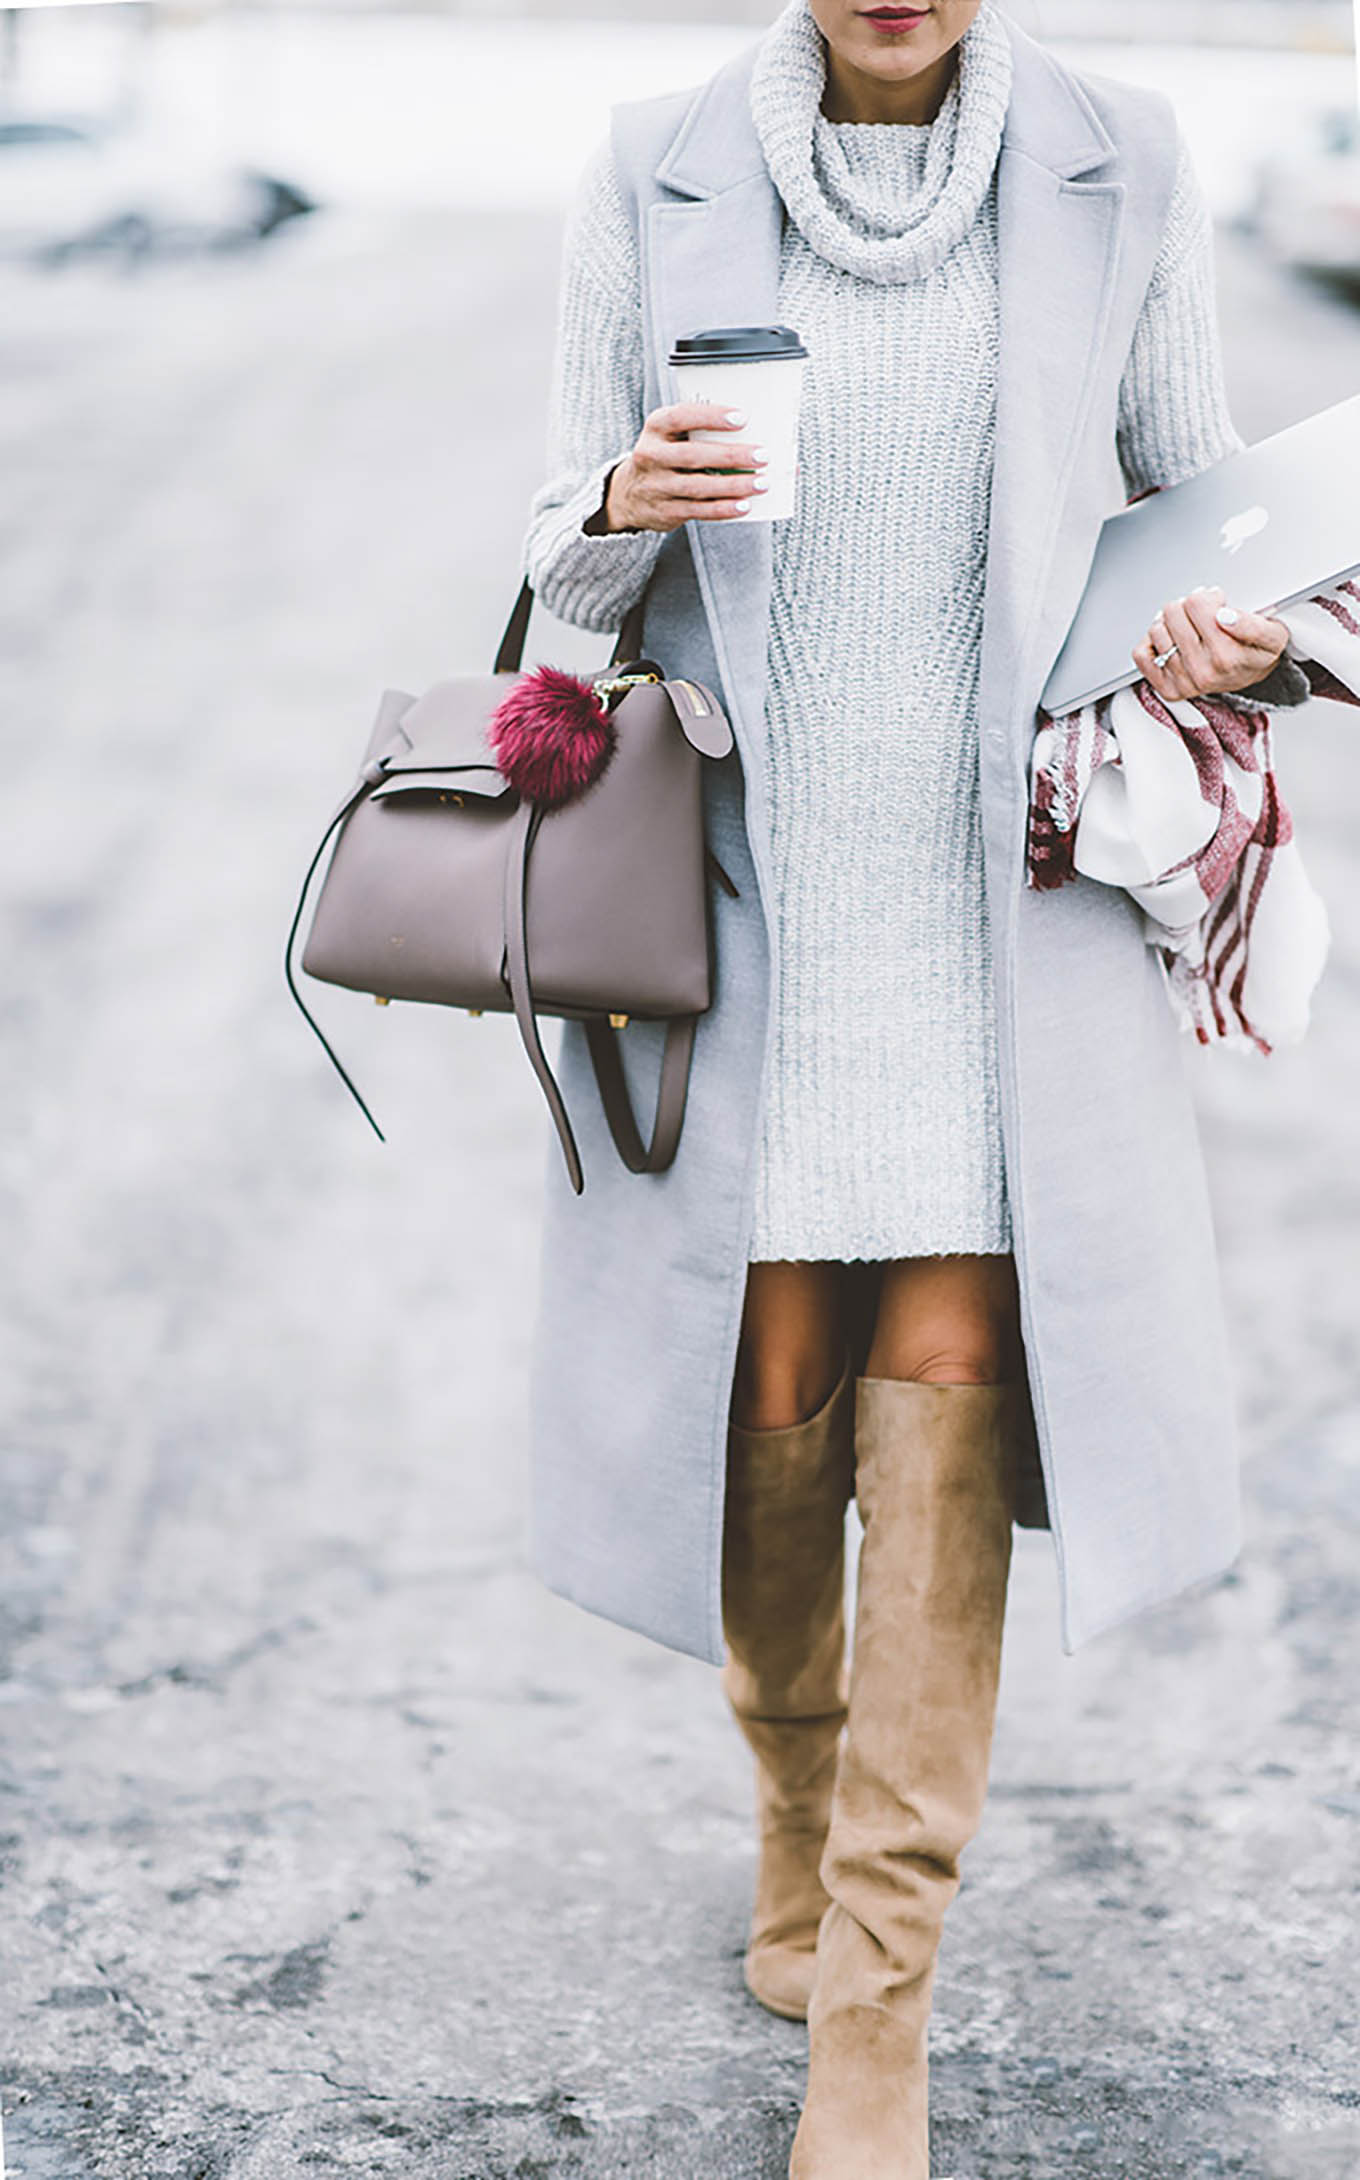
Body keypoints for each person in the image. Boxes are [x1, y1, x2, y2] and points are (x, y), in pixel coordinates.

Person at [518, 2, 1310, 2172]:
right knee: (763, 1398)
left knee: (943, 1390)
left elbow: (1199, 501)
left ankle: (879, 2001)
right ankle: (792, 1805)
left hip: (998, 914)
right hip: (749, 902)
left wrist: (1240, 631)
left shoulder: (1116, 156)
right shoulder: (654, 159)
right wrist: (612, 507)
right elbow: (555, 604)